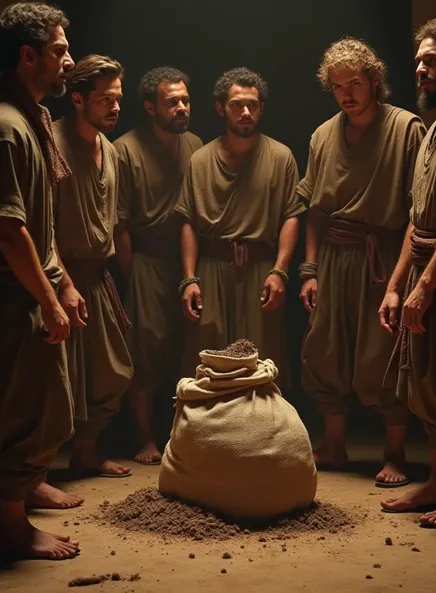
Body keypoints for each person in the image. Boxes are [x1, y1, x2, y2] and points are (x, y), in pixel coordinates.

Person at [298, 37, 426, 486]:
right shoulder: (322, 134)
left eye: (355, 82)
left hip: (384, 256)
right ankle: (335, 445)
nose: (347, 93)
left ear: (374, 80)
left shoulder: (407, 129)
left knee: (382, 354)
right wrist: (310, 269)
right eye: (337, 86)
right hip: (333, 255)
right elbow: (313, 209)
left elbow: (418, 214)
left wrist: (398, 281)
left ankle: (394, 453)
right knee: (325, 349)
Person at [379, 19, 436, 527]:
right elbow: (417, 217)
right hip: (425, 269)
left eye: (431, 61)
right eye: (418, 60)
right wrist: (397, 285)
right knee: (429, 381)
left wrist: (425, 285)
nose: (419, 69)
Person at [0, 1, 81, 559]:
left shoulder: (34, 119)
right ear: (27, 56)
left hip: (38, 286)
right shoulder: (8, 126)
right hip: (16, 295)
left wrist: (65, 283)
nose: (68, 61)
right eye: (58, 51)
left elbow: (41, 224)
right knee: (26, 410)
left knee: (47, 406)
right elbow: (9, 229)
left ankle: (22, 497)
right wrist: (48, 301)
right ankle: (10, 528)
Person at [176, 67, 304, 389]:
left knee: (262, 356)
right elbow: (188, 221)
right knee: (208, 357)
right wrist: (189, 278)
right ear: (221, 108)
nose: (245, 112)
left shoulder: (280, 156)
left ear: (261, 107)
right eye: (236, 105)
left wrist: (280, 271)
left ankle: (264, 437)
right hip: (212, 268)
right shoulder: (201, 159)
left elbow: (291, 214)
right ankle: (209, 435)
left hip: (261, 268)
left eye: (253, 105)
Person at [114, 67, 202, 465]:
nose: (181, 107)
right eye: (172, 101)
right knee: (145, 349)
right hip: (146, 260)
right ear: (151, 106)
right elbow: (121, 223)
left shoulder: (195, 145)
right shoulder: (126, 149)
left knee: (186, 348)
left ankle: (184, 435)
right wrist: (133, 275)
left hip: (189, 263)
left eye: (185, 99)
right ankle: (144, 436)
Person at [53, 55, 133, 478]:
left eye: (118, 98)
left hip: (96, 277)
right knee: (52, 378)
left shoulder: (112, 150)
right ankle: (31, 475)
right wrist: (61, 283)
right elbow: (38, 223)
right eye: (105, 99)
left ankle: (86, 451)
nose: (115, 107)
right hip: (58, 275)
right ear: (79, 99)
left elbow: (114, 219)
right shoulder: (52, 142)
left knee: (111, 371)